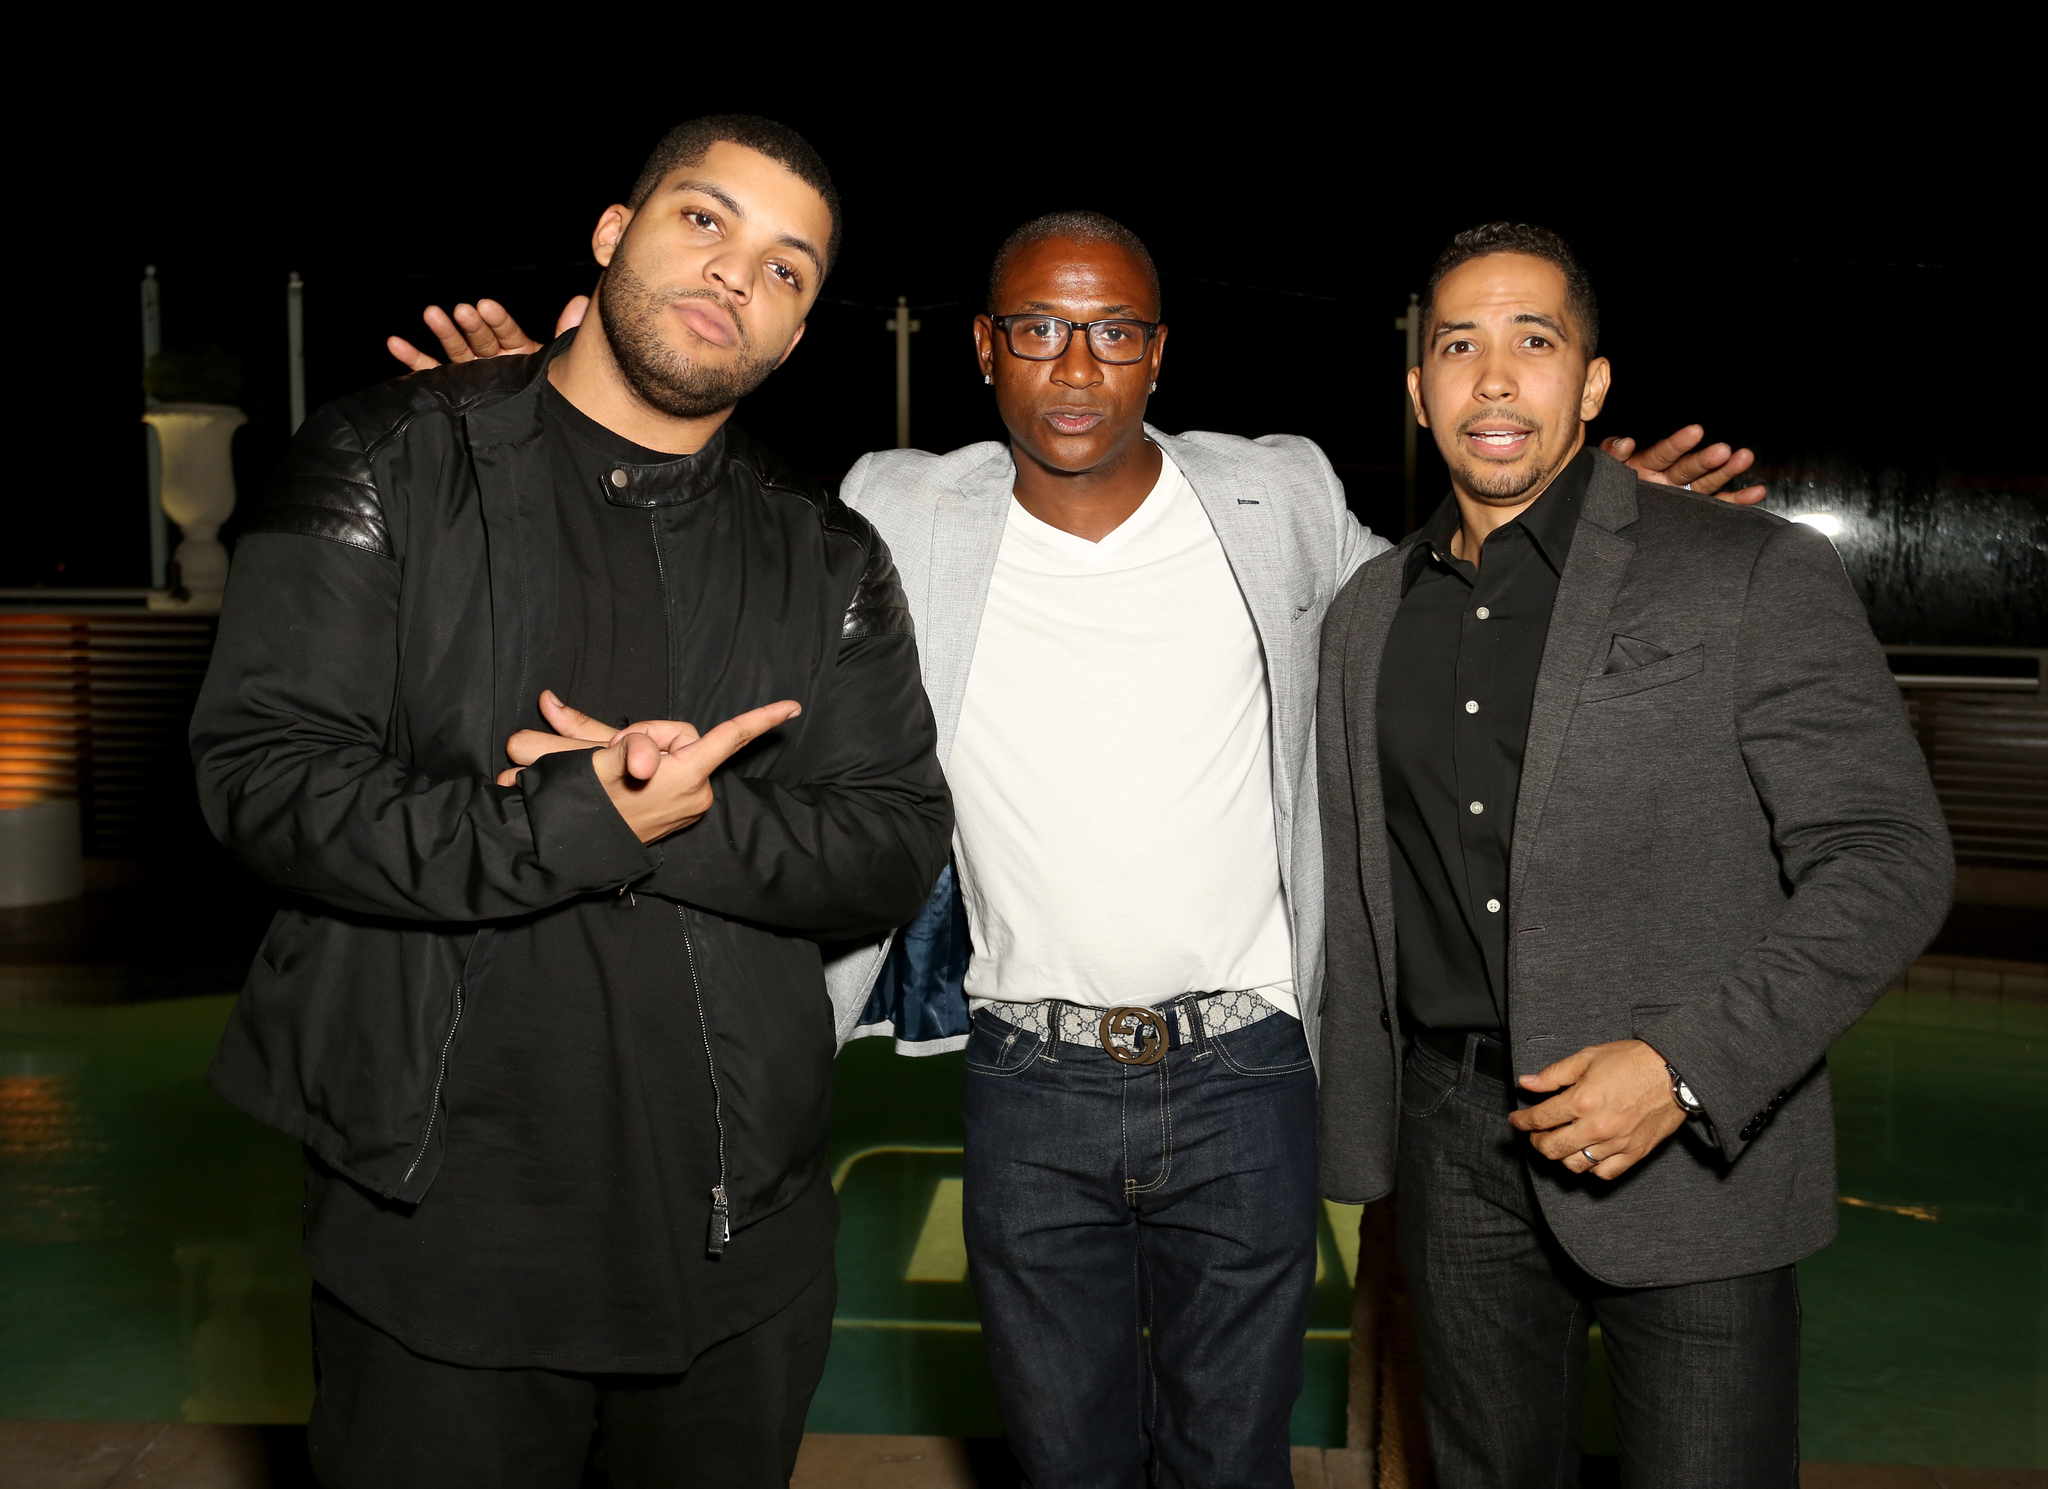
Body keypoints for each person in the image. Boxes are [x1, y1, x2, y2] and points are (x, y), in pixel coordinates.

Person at [408, 217, 1763, 1489]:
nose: (1077, 367)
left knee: (1235, 1461)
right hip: (1027, 1085)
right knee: (1064, 1461)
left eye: (1115, 332)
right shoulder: (897, 508)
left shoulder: (1275, 495)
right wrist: (561, 431)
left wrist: (1593, 520)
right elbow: (717, 563)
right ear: (986, 348)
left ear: (1158, 354)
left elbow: (1442, 603)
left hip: (1250, 1078)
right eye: (1041, 332)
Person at [192, 115, 952, 1489]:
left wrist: (689, 817)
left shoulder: (828, 554)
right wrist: (572, 822)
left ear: (799, 331)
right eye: (704, 220)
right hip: (439, 1249)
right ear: (613, 233)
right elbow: (264, 780)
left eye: (789, 268)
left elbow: (894, 843)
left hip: (740, 1252)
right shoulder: (384, 462)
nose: (737, 275)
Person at [1315, 222, 1952, 1486]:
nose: (1492, 378)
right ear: (1417, 389)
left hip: (1690, 1154)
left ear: (1591, 383)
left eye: (1531, 341)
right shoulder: (1364, 615)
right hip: (1453, 1144)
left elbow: (1887, 857)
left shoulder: (1751, 570)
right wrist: (1359, 1147)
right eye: (1457, 346)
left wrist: (1686, 1068)